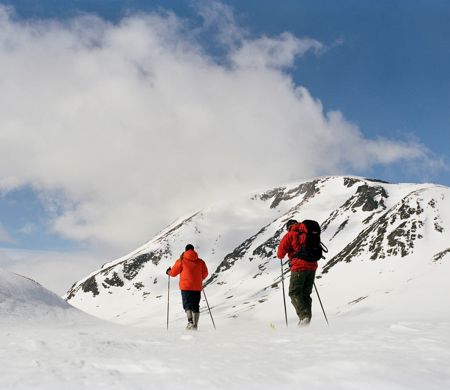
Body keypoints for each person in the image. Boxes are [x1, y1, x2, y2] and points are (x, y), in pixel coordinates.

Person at [277, 219, 318, 326]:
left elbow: (280, 253)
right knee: (305, 294)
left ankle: (304, 317)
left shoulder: (290, 234)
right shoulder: (307, 233)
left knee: (294, 292)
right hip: (312, 266)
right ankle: (306, 319)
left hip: (299, 266)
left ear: (288, 227)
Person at [166, 244, 208, 330]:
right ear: (193, 250)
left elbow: (173, 273)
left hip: (186, 287)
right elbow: (205, 273)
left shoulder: (181, 260)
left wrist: (168, 272)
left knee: (187, 305)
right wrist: (198, 279)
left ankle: (190, 322)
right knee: (196, 305)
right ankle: (195, 325)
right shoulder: (201, 262)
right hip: (197, 287)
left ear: (185, 250)